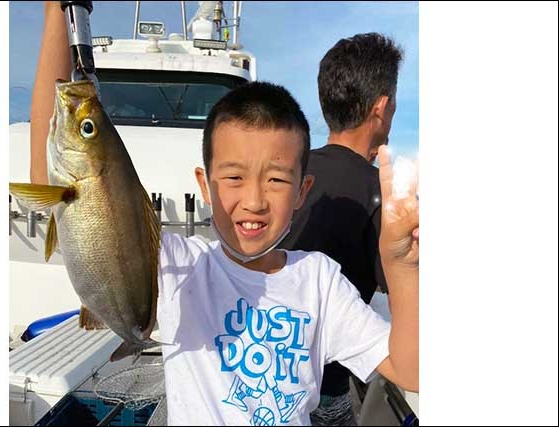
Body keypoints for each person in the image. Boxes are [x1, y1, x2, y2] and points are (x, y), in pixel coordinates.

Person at [29, 5, 418, 425]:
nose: (253, 200)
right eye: (233, 177)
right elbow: (53, 136)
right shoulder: (179, 266)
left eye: (276, 180)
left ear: (303, 190)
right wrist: (56, 12)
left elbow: (411, 370)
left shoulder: (320, 281)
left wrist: (402, 264)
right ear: (205, 184)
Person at [279, 33, 405, 425]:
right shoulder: (381, 193)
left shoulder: (287, 173)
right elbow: (404, 300)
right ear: (381, 108)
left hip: (262, 372)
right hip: (324, 390)